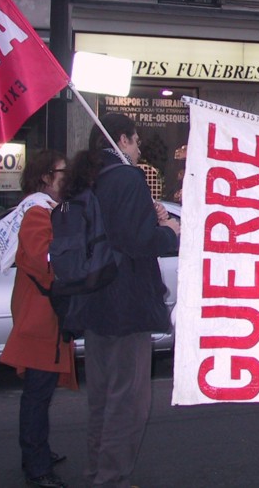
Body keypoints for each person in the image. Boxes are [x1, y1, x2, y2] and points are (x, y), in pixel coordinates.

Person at [63, 113, 180, 488]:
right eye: (135, 140)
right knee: (128, 401)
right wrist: (169, 232)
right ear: (122, 140)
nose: (139, 147)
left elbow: (116, 230)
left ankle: (96, 470)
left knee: (101, 396)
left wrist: (151, 218)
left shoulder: (88, 179)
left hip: (94, 299)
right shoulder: (127, 178)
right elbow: (138, 242)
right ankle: (111, 478)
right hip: (126, 301)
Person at [0, 150, 77, 488]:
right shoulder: (37, 211)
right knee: (37, 394)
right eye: (63, 171)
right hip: (39, 319)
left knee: (40, 393)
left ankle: (38, 453)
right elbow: (43, 259)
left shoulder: (43, 210)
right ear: (46, 176)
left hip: (42, 316)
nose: (68, 177)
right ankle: (36, 465)